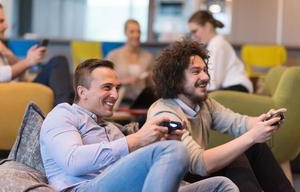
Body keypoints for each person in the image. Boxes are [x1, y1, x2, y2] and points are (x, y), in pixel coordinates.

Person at [40, 59, 239, 192]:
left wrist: (156, 143)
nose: (116, 95)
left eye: (117, 88)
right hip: (83, 187)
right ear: (82, 92)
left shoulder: (112, 129)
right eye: (107, 87)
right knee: (174, 150)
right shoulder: (63, 115)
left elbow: (132, 169)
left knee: (222, 186)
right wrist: (138, 139)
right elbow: (73, 162)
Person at [147, 39, 295, 192]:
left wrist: (263, 122)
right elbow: (199, 164)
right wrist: (252, 135)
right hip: (180, 182)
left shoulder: (204, 103)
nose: (205, 77)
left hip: (196, 172)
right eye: (196, 72)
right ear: (175, 79)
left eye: (205, 70)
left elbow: (238, 123)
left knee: (255, 147)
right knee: (240, 154)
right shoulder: (165, 114)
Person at [0, 3, 73, 105]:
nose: (6, 26)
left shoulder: (3, 46)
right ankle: (65, 114)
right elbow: (2, 75)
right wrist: (28, 61)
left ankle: (66, 110)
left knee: (59, 65)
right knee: (58, 62)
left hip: (22, 87)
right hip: (15, 94)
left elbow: (22, 77)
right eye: (1, 21)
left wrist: (8, 54)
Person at [188, 10, 253, 93]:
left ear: (208, 26)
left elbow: (213, 83)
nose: (193, 36)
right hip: (235, 87)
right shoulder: (215, 43)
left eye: (195, 31)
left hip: (238, 88)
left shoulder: (217, 44)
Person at [106, 19, 154, 106]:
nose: (136, 35)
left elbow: (150, 85)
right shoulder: (113, 55)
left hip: (141, 105)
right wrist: (124, 81)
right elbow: (105, 81)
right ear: (125, 33)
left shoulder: (148, 57)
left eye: (138, 32)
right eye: (132, 31)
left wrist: (152, 77)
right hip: (118, 103)